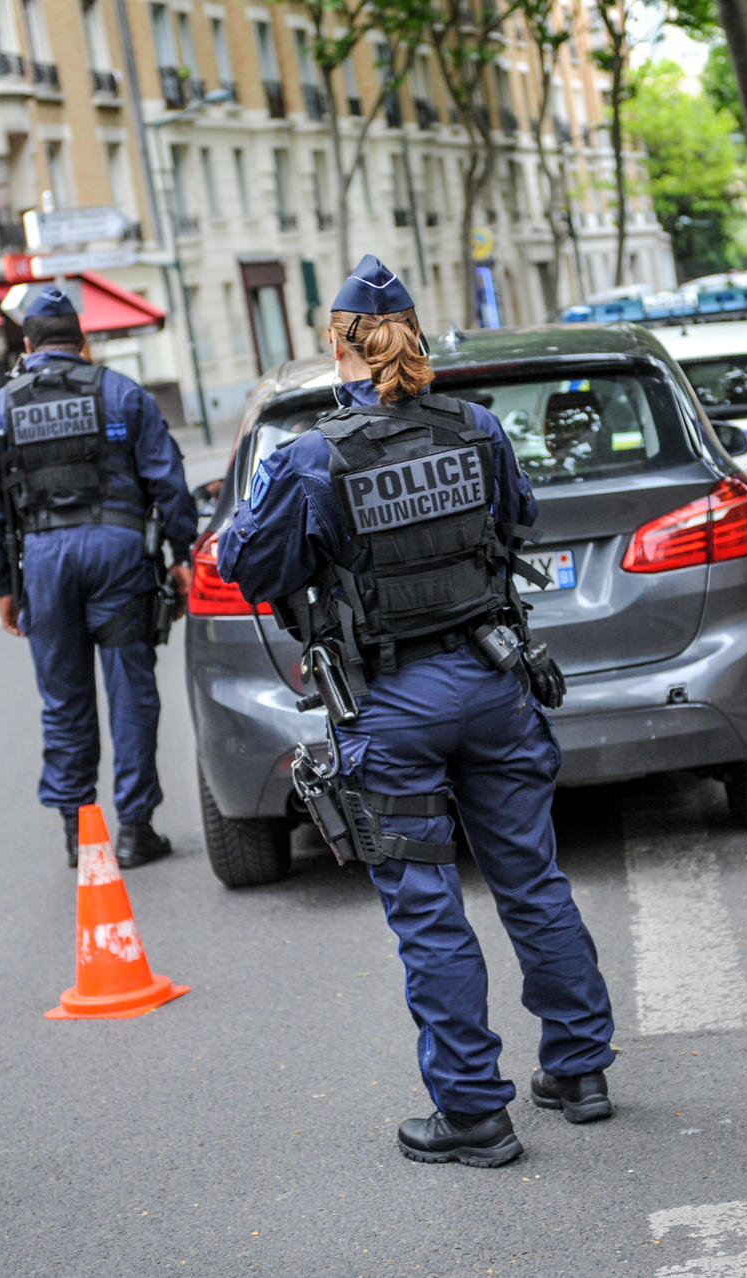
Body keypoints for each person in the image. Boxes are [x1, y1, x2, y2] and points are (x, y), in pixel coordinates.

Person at [217, 255, 615, 1169]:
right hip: (494, 679)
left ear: (339, 346)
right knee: (531, 876)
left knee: (430, 910)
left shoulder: (313, 454)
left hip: (391, 702)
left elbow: (251, 563)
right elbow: (519, 524)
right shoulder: (475, 428)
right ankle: (581, 1070)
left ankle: (474, 1113)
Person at [0, 287, 198, 870]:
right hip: (119, 556)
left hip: (43, 565)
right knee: (131, 695)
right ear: (83, 342)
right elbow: (167, 481)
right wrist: (181, 552)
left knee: (64, 700)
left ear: (27, 345)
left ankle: (79, 833)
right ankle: (135, 829)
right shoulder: (123, 395)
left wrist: (2, 587)